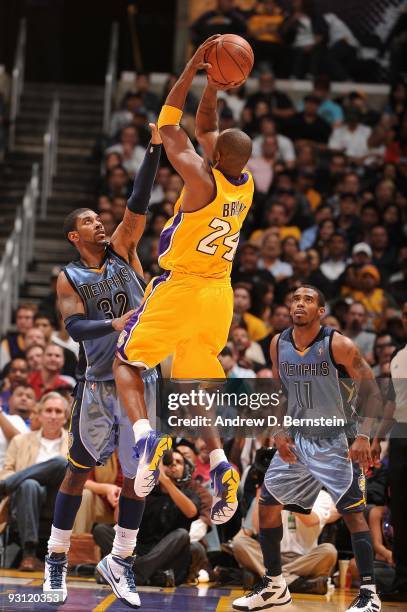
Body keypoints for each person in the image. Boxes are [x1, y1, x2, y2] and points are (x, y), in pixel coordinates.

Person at [114, 36, 253, 526]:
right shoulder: (245, 183)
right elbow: (208, 125)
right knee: (193, 385)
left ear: (215, 157)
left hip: (183, 285)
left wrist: (195, 65)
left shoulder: (199, 179)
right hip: (220, 295)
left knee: (126, 362)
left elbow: (170, 124)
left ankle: (146, 436)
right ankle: (220, 465)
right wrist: (216, 85)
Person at [42, 125, 163, 608]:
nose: (100, 223)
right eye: (91, 221)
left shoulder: (125, 249)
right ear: (76, 235)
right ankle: (56, 558)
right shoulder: (67, 277)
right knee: (77, 472)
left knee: (138, 478)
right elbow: (73, 328)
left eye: (99, 218)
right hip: (97, 383)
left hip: (142, 377)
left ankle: (122, 561)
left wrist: (154, 149)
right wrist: (115, 322)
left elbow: (139, 197)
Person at [233, 285, 382, 612]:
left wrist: (364, 436)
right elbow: (280, 391)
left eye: (308, 300)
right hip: (298, 440)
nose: (300, 304)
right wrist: (280, 429)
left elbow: (372, 390)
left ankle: (370, 594)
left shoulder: (338, 344)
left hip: (336, 440)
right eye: (295, 299)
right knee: (267, 504)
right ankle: (274, 585)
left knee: (353, 515)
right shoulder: (278, 343)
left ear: (320, 311)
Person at [0, 392, 68, 571]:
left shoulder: (74, 443)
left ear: (65, 416)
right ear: (39, 414)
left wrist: (10, 481)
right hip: (26, 498)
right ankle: (28, 555)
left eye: (58, 411)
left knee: (61, 463)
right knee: (29, 485)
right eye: (48, 410)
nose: (53, 416)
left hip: (58, 499)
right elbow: (6, 470)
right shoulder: (20, 440)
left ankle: (4, 488)